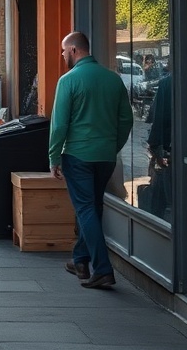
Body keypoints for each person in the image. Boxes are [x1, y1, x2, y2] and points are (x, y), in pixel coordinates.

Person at [49, 31, 133, 289]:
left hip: (78, 155)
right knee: (93, 207)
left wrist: (54, 157)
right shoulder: (113, 79)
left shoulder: (68, 80)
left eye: (64, 51)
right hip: (105, 156)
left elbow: (59, 124)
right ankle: (80, 259)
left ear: (74, 50)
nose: (63, 55)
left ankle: (103, 269)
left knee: (85, 209)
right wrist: (112, 146)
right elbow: (126, 120)